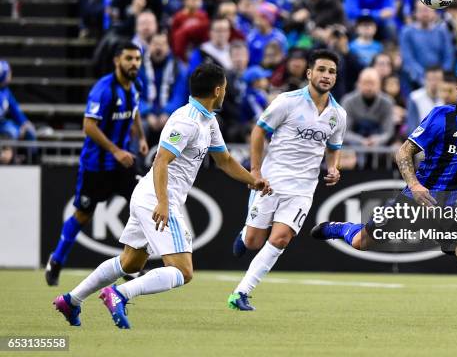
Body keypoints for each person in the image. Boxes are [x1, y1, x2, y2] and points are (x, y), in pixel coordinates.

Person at [53, 62, 271, 328]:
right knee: (182, 270)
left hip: (149, 196)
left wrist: (254, 181)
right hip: (157, 199)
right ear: (217, 90)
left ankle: (71, 300)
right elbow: (160, 161)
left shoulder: (208, 120)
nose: (225, 92)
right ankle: (119, 294)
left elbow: (224, 160)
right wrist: (164, 203)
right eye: (224, 88)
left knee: (130, 262)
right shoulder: (187, 121)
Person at [311, 64, 457, 329]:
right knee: (363, 241)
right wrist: (415, 185)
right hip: (415, 200)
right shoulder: (440, 117)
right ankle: (341, 228)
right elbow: (403, 152)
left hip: (453, 210)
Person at [229, 49, 346, 311]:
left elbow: (334, 147)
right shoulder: (287, 101)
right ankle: (244, 232)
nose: (326, 76)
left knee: (281, 238)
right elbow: (259, 131)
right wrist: (256, 171)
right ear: (309, 73)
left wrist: (334, 168)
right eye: (321, 70)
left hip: (303, 188)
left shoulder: (339, 115)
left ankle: (241, 293)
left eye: (331, 72)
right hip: (271, 182)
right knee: (253, 242)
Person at [45, 43, 149, 286]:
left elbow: (134, 112)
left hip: (123, 165)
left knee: (143, 205)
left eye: (137, 59)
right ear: (117, 61)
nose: (134, 63)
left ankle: (129, 264)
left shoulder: (136, 85)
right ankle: (57, 259)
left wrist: (141, 137)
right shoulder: (103, 90)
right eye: (129, 58)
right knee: (82, 215)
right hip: (96, 166)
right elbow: (88, 126)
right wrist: (115, 150)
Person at [139, 32, 189, 142]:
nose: (159, 48)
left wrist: (167, 112)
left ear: (168, 47)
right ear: (148, 46)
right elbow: (135, 94)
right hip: (144, 115)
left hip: (171, 115)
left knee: (179, 129)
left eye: (163, 44)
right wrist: (147, 113)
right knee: (139, 127)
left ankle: (174, 159)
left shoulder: (178, 67)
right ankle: (138, 159)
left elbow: (180, 95)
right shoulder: (139, 65)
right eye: (155, 44)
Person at [341, 67, 395, 147]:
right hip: (353, 147)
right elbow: (344, 131)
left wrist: (376, 140)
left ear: (379, 84)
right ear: (358, 84)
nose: (369, 87)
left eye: (372, 83)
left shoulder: (387, 102)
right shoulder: (348, 101)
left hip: (379, 148)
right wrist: (360, 141)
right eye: (365, 83)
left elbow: (388, 132)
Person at [0, 61, 36, 142]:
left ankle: (33, 154)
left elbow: (15, 110)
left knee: (25, 131)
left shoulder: (6, 92)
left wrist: (24, 122)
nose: (10, 75)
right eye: (8, 73)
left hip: (2, 124)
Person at [404, 65, 442, 134]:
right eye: (430, 79)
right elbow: (412, 127)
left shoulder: (447, 97)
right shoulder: (414, 97)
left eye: (437, 79)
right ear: (424, 80)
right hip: (421, 139)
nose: (434, 83)